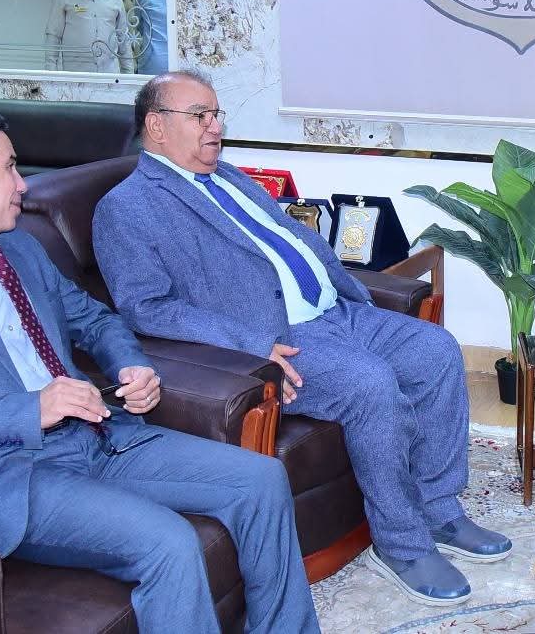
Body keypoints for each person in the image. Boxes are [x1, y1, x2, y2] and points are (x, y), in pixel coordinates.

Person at [0, 108, 319, 634]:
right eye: (11, 167)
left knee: (261, 478)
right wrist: (30, 410)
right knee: (170, 543)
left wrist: (131, 364)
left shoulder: (20, 248)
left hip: (95, 436)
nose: (23, 184)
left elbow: (93, 319)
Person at [92, 70, 512, 608]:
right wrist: (248, 345)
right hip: (278, 339)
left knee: (437, 351)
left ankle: (440, 510)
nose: (215, 126)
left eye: (217, 114)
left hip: (337, 311)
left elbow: (284, 239)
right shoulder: (127, 207)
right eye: (200, 116)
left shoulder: (226, 176)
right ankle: (402, 545)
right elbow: (144, 307)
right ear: (156, 126)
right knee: (369, 384)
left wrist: (350, 287)